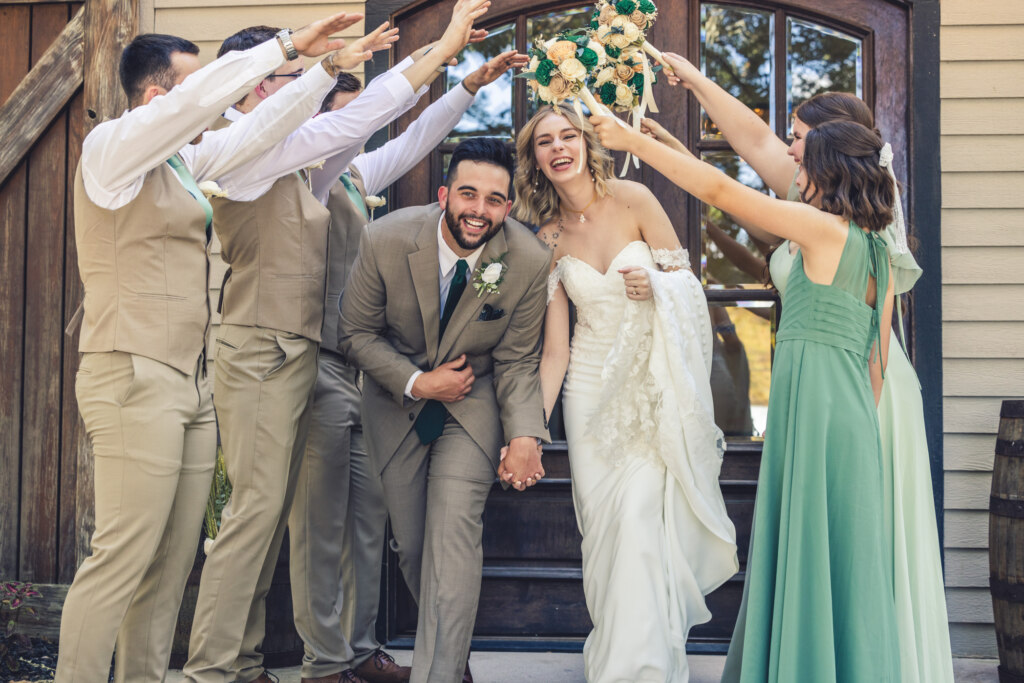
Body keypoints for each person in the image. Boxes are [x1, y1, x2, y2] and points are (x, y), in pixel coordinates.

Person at [183, 5, 493, 683]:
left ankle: (274, 659)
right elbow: (356, 118)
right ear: (254, 86)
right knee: (267, 514)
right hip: (268, 347)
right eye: (286, 75)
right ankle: (224, 666)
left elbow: (382, 134)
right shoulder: (245, 149)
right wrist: (436, 49)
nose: (305, 87)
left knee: (312, 514)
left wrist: (457, 77)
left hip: (323, 357)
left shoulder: (307, 164)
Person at [56, 14, 364, 682]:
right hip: (132, 374)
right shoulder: (110, 151)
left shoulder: (186, 162)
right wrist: (282, 49)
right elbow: (211, 101)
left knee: (169, 566)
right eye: (200, 85)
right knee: (122, 556)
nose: (218, 98)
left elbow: (262, 128)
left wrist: (325, 73)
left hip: (190, 383)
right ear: (155, 98)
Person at [653, 52, 953, 683]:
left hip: (858, 383)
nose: (785, 148)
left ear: (827, 144)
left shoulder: (847, 217)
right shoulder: (819, 198)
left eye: (797, 136)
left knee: (860, 534)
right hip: (824, 375)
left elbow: (723, 187)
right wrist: (694, 78)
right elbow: (753, 139)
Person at [592, 109, 903, 681]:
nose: (792, 165)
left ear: (825, 171)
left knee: (804, 545)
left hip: (812, 409)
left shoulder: (821, 229)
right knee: (844, 555)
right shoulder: (879, 251)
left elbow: (719, 190)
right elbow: (876, 365)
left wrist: (634, 140)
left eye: (802, 160)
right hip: (852, 416)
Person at [289, 50, 527, 683]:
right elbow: (359, 325)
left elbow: (417, 137)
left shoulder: (355, 177)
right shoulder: (303, 171)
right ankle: (325, 659)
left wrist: (468, 86)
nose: (359, 130)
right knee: (333, 521)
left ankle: (381, 653)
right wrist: (417, 380)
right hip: (332, 361)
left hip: (379, 378)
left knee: (374, 524)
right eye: (348, 120)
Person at [511, 104, 737, 683]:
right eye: (544, 142)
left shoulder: (635, 198)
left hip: (650, 387)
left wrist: (657, 285)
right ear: (534, 158)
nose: (559, 148)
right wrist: (531, 429)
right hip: (588, 396)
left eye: (568, 136)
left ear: (588, 143)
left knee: (641, 522)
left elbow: (688, 286)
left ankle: (644, 669)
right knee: (606, 534)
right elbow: (554, 350)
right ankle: (617, 654)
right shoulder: (546, 238)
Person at [338, 137, 549, 683]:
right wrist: (418, 381)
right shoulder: (385, 237)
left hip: (472, 403)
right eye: (468, 194)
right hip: (396, 400)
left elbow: (519, 360)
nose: (479, 210)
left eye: (495, 200)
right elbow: (355, 334)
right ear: (444, 194)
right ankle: (453, 667)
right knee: (414, 547)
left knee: (452, 534)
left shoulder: (526, 260)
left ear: (508, 207)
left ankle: (439, 676)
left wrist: (525, 435)